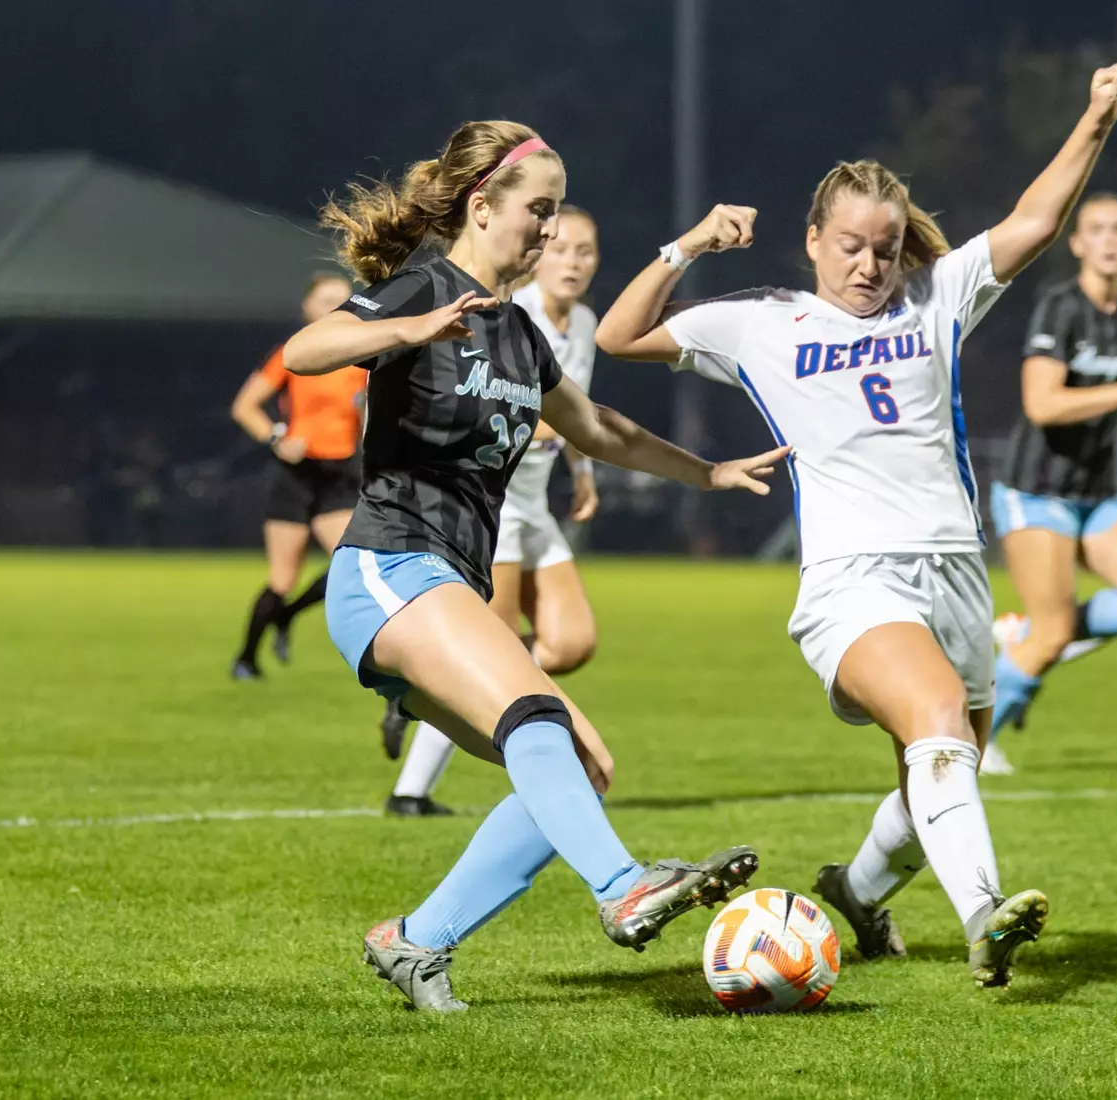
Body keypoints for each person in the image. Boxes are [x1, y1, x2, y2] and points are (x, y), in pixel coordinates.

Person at [597, 53, 1117, 988]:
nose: (869, 263)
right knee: (939, 722)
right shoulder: (761, 322)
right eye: (850, 244)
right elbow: (618, 336)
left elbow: (1037, 221)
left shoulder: (938, 298)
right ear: (814, 239)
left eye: (885, 248)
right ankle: (985, 915)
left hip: (957, 572)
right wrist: (688, 245)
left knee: (943, 759)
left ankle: (854, 894)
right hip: (854, 577)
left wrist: (1096, 117)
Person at [292, 120, 781, 1012]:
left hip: (447, 583)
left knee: (580, 766)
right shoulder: (427, 287)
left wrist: (707, 472)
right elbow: (305, 352)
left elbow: (597, 427)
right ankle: (624, 885)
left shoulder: (518, 332)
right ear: (482, 207)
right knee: (532, 715)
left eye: (556, 214)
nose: (551, 232)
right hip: (390, 565)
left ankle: (416, 941)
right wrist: (408, 326)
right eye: (540, 212)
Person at [380, 205, 604, 817]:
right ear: (540, 251)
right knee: (495, 646)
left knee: (573, 642)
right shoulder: (510, 312)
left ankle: (429, 687)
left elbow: (574, 408)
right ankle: (410, 792)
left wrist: (583, 472)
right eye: (563, 249)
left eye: (587, 252)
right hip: (492, 505)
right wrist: (544, 437)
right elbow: (480, 409)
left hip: (536, 508)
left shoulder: (583, 322)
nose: (574, 262)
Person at [980, 192, 1117, 775]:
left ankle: (1028, 630)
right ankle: (973, 749)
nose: (1110, 239)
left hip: (1096, 495)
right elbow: (1041, 404)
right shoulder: (1060, 307)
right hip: (1036, 491)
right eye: (1097, 229)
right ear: (1077, 243)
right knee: (1051, 638)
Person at [228, 273, 364, 679]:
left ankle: (286, 617)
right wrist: (276, 437)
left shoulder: (363, 356)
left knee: (349, 564)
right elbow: (245, 407)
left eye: (344, 301)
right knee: (282, 577)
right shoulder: (292, 353)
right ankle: (246, 658)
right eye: (326, 301)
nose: (336, 309)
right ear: (307, 308)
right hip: (296, 472)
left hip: (341, 472)